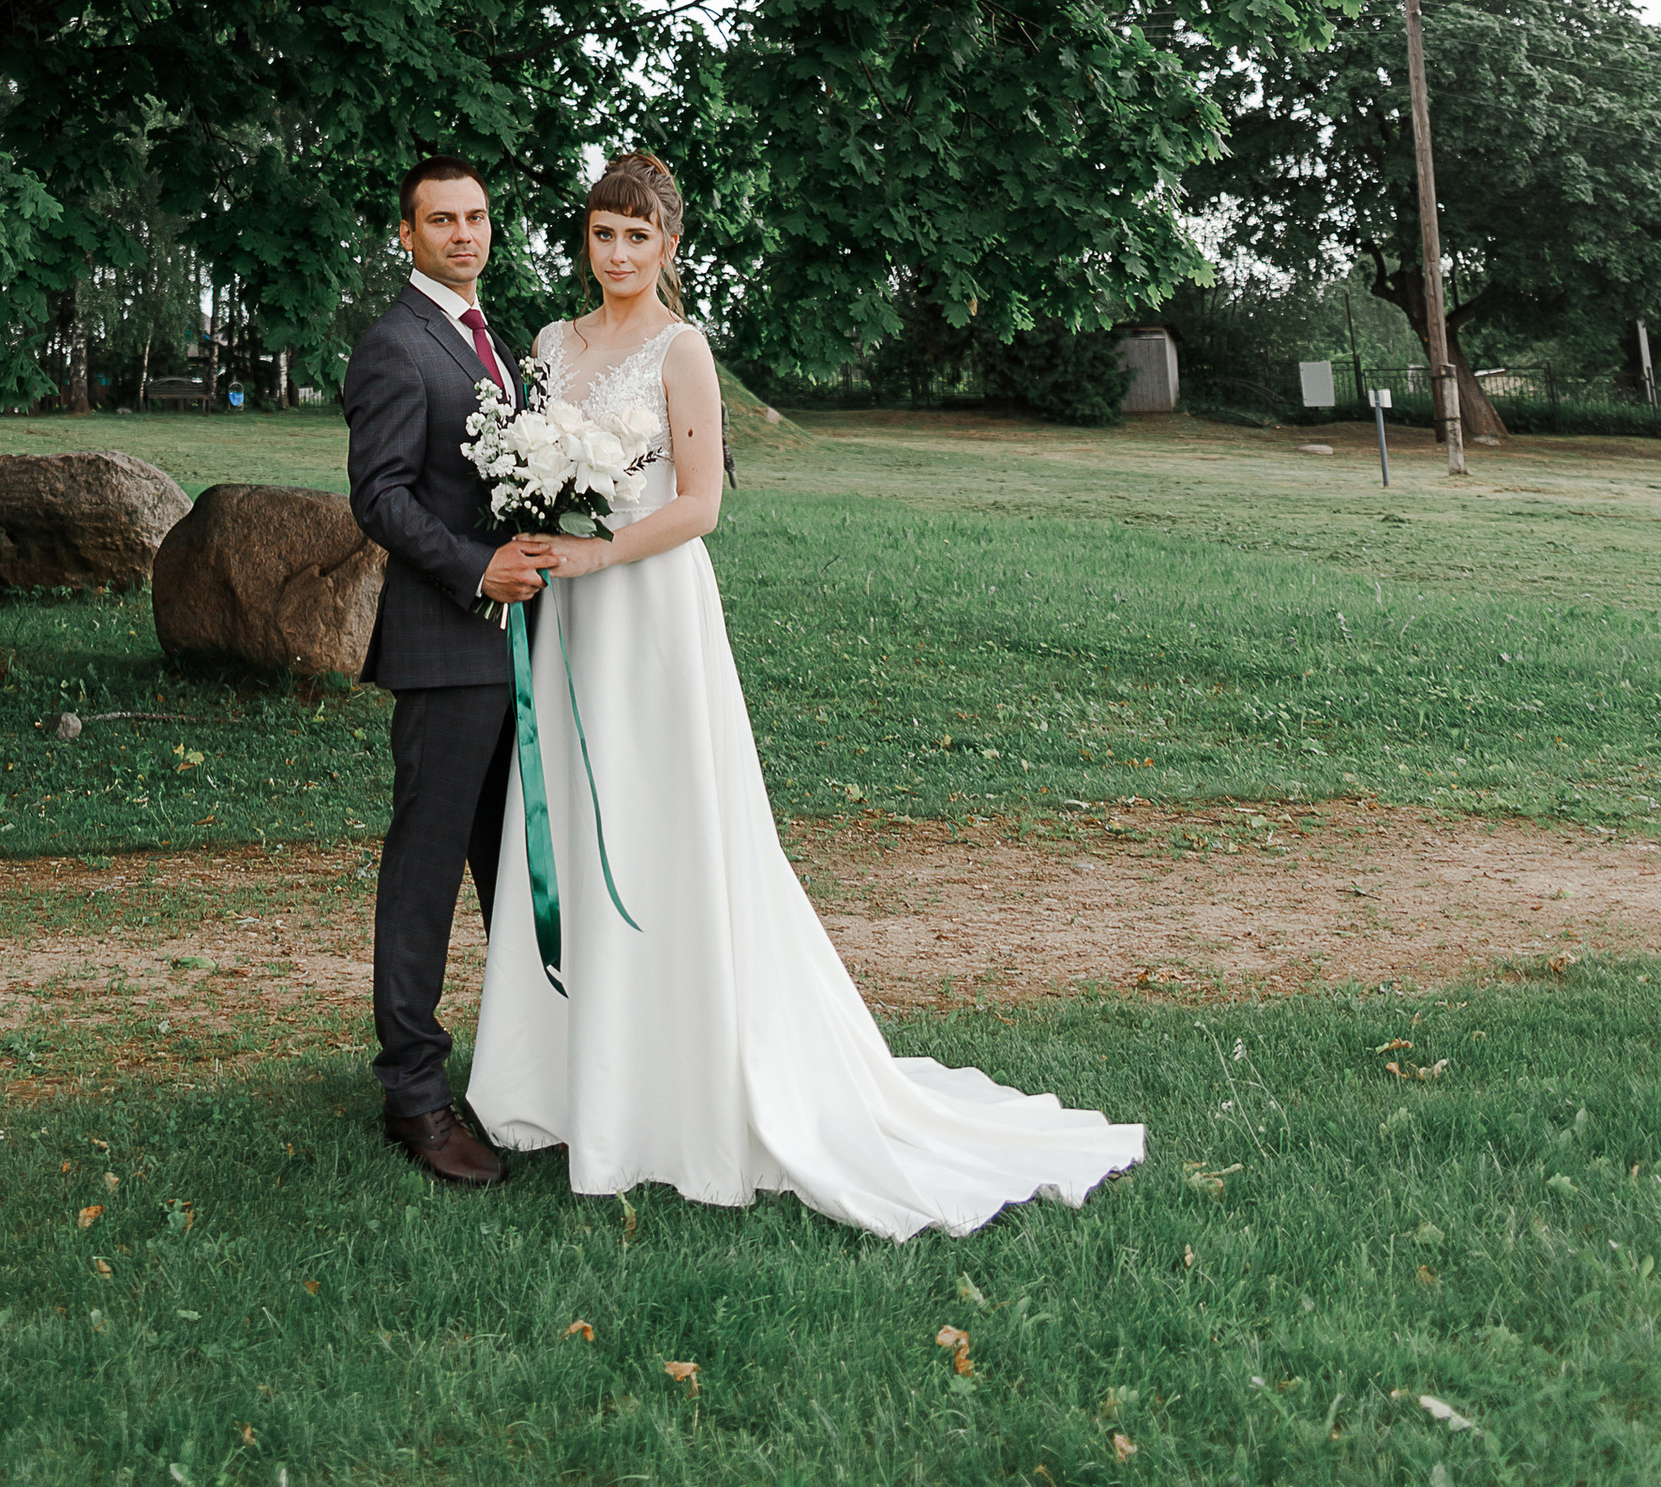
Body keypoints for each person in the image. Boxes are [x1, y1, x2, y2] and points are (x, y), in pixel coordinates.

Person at [465, 151, 1145, 1232]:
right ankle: (569, 1079)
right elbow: (531, 468)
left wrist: (600, 552)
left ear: (669, 245)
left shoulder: (682, 350)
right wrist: (537, 514)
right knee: (580, 818)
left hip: (648, 607)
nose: (618, 253)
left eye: (638, 236)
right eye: (603, 234)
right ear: (585, 240)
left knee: (660, 818)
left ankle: (680, 1082)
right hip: (567, 619)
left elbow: (699, 505)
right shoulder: (550, 343)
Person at [340, 155, 545, 1189]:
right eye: (442, 220)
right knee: (424, 875)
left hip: (520, 649)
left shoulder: (494, 339)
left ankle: (524, 1068)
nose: (464, 234)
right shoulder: (394, 343)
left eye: (476, 217)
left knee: (518, 865)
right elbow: (378, 496)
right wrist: (478, 570)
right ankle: (413, 1095)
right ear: (407, 234)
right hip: (444, 647)